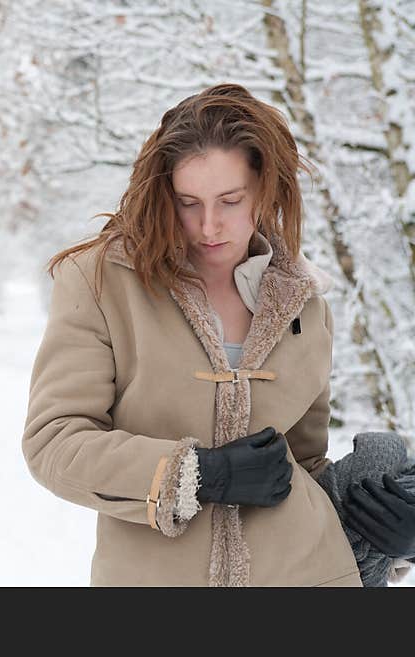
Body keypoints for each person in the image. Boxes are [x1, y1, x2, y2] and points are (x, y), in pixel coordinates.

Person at [21, 82, 410, 586]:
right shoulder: (101, 281)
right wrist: (196, 474)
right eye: (188, 201)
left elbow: (302, 466)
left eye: (230, 200)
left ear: (267, 190)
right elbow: (54, 442)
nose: (208, 225)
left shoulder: (304, 302)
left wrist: (390, 531)